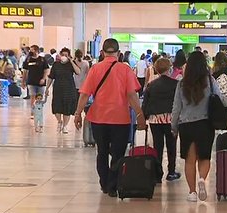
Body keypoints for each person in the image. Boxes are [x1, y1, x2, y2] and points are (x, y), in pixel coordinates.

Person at [74, 38, 146, 198]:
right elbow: (132, 95)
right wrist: (140, 115)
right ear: (119, 53)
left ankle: (104, 183)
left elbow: (85, 94)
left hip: (98, 118)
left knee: (102, 152)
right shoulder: (125, 70)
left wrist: (78, 113)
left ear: (102, 53)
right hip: (120, 119)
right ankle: (113, 185)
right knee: (118, 153)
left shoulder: (95, 69)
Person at [171, 51, 227, 202]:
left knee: (190, 160)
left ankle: (192, 192)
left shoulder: (181, 83)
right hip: (205, 124)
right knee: (204, 157)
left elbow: (176, 108)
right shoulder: (210, 81)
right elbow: (221, 100)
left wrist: (174, 127)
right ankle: (202, 179)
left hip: (186, 125)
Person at [142, 58, 181, 182]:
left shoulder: (151, 85)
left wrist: (144, 117)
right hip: (171, 119)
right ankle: (171, 171)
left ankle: (157, 174)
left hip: (155, 120)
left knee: (157, 146)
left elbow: (146, 103)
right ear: (169, 69)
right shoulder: (175, 84)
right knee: (171, 146)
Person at [45, 47, 81, 134]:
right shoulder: (56, 64)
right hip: (58, 88)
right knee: (57, 107)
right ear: (60, 55)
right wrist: (47, 88)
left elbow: (78, 72)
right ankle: (59, 121)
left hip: (69, 88)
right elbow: (51, 77)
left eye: (66, 55)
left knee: (67, 108)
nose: (64, 56)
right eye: (63, 55)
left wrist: (71, 61)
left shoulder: (71, 64)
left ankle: (65, 126)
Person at [21, 45, 50, 118]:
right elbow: (25, 71)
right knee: (32, 97)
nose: (30, 51)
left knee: (39, 97)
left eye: (32, 50)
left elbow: (46, 70)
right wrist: (23, 81)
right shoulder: (28, 60)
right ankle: (33, 112)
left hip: (41, 82)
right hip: (31, 81)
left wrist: (43, 78)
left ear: (36, 50)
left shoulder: (42, 60)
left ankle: (39, 111)